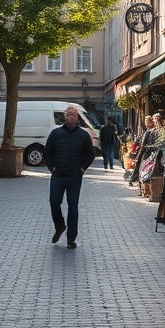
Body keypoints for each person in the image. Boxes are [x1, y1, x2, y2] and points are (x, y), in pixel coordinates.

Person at [44, 104, 96, 249]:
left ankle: (71, 238)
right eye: (69, 114)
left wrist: (82, 168)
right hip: (58, 175)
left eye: (74, 115)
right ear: (65, 117)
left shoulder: (83, 135)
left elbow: (90, 154)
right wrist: (52, 167)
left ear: (77, 117)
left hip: (74, 176)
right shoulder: (56, 134)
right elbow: (47, 152)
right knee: (54, 202)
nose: (72, 117)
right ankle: (60, 226)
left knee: (73, 206)